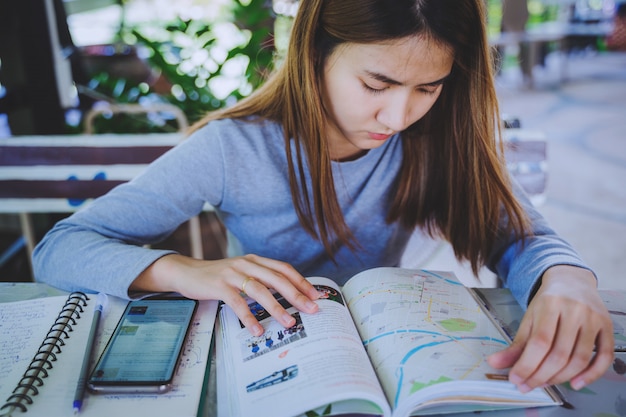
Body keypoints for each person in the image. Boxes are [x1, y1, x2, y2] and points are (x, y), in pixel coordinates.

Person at [33, 0, 613, 395]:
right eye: (376, 84)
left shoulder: (437, 139)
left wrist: (567, 278)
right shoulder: (233, 149)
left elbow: (522, 238)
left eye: (428, 88)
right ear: (315, 56)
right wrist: (182, 269)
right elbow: (61, 247)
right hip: (265, 356)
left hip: (388, 354)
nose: (399, 115)